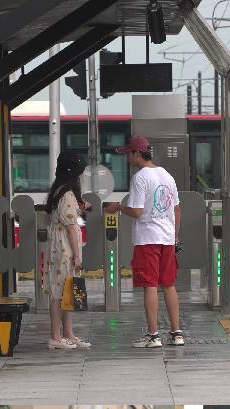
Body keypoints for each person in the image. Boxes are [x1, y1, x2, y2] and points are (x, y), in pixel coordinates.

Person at [104, 135, 184, 349]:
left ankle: (153, 335)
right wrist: (175, 237)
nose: (127, 158)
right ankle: (177, 333)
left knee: (150, 285)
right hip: (167, 239)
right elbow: (177, 209)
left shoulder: (140, 178)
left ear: (137, 153)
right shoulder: (167, 175)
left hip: (148, 239)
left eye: (129, 154)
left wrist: (117, 208)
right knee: (168, 285)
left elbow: (138, 212)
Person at [45, 151, 93, 350]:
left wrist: (79, 207)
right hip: (65, 248)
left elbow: (66, 215)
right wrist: (78, 254)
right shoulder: (67, 193)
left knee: (67, 290)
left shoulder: (59, 191)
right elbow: (72, 227)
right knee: (60, 291)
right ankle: (56, 337)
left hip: (59, 245)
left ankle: (68, 334)